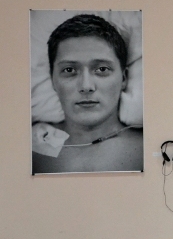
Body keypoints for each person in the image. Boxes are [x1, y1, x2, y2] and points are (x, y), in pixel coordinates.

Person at [31, 14, 143, 174]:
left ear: (123, 78)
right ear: (53, 80)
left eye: (102, 69)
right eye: (69, 70)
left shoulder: (148, 147)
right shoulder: (28, 144)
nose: (86, 86)